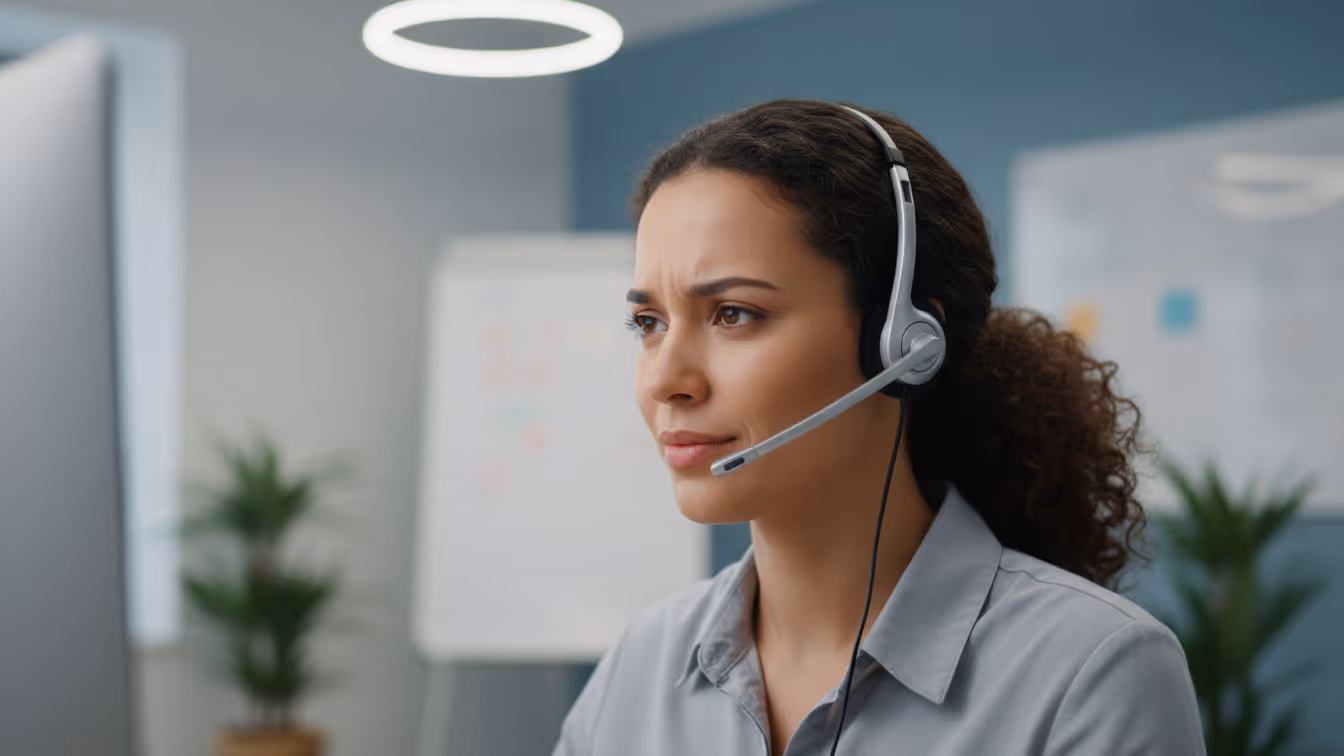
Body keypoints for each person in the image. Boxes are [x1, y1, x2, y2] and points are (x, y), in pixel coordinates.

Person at [551, 98, 1205, 756]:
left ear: (903, 345)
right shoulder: (638, 671)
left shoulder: (1090, 676)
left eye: (734, 313)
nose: (666, 379)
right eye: (649, 323)